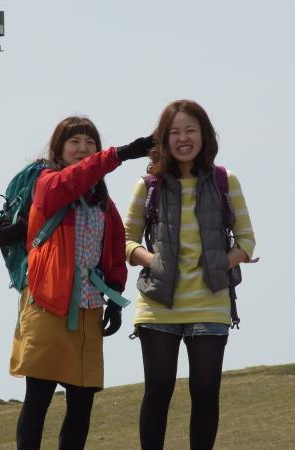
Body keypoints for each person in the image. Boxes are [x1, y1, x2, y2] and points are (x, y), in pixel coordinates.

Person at [10, 116, 152, 450]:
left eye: (90, 142)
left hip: (89, 307)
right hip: (46, 304)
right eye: (74, 141)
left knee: (82, 402)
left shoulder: (102, 200)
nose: (83, 148)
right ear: (58, 149)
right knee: (38, 398)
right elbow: (69, 182)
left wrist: (115, 299)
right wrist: (118, 154)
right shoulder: (47, 183)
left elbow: (114, 249)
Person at [124, 100, 256, 450]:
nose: (183, 138)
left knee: (206, 391)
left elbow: (247, 241)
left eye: (190, 130)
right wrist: (152, 260)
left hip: (210, 302)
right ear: (164, 140)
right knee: (158, 391)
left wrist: (221, 262)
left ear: (204, 135)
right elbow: (125, 240)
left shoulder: (225, 181)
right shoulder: (148, 184)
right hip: (158, 304)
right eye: (175, 132)